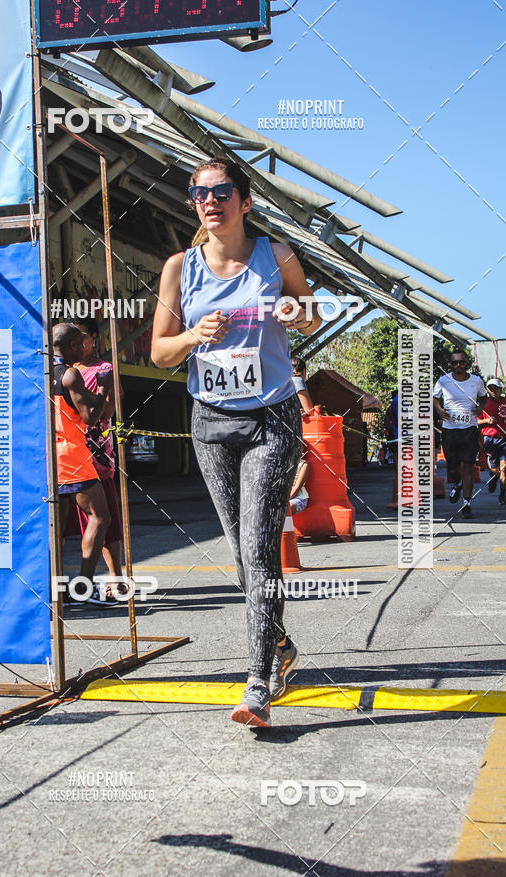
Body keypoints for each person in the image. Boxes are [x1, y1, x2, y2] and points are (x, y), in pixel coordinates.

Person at [151, 156, 322, 728]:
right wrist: (194, 335)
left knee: (259, 547)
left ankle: (255, 684)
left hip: (271, 418)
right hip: (211, 422)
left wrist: (298, 313)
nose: (210, 200)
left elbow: (311, 314)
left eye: (222, 191)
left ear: (244, 202)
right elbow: (157, 353)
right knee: (243, 555)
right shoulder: (179, 268)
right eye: (199, 192)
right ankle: (280, 645)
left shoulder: (276, 255)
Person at [52, 322, 112, 603]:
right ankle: (84, 588)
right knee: (100, 516)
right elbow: (90, 416)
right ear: (73, 346)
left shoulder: (39, 371)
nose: (84, 348)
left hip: (48, 455)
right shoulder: (70, 374)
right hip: (72, 454)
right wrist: (101, 389)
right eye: (81, 343)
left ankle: (57, 590)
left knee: (57, 528)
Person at [67, 317, 125, 597]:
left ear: (92, 338)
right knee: (77, 522)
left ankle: (115, 577)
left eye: (80, 336)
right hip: (66, 456)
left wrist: (96, 395)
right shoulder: (60, 370)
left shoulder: (104, 369)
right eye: (70, 337)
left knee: (105, 517)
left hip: (97, 454)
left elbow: (109, 412)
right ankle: (75, 585)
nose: (76, 342)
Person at [433, 349, 487, 518]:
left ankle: (467, 503)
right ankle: (457, 484)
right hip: (450, 430)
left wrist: (480, 408)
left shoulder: (476, 381)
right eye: (455, 362)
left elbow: (484, 397)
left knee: (468, 467)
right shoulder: (443, 380)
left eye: (461, 362)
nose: (458, 365)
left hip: (469, 429)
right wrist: (440, 410)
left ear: (467, 363)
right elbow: (434, 397)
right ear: (451, 364)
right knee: (453, 468)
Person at [477, 378, 506, 504]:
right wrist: (486, 421)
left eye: (496, 388)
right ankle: (494, 478)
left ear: (501, 389)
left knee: (504, 470)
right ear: (487, 390)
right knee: (495, 471)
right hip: (490, 440)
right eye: (491, 388)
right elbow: (475, 422)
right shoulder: (483, 404)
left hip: (504, 439)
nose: (493, 391)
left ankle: (503, 495)